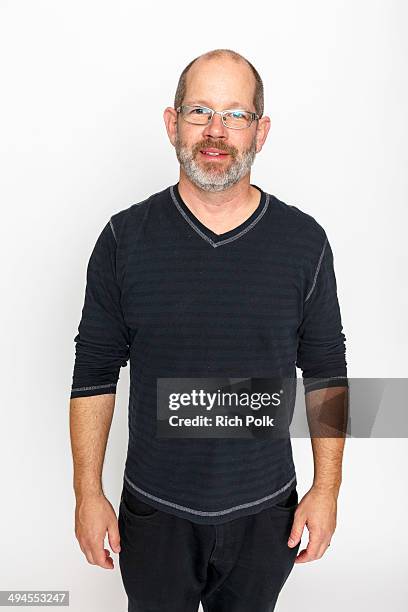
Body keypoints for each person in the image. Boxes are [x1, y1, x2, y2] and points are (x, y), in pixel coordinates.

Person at [70, 48, 348, 612]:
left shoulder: (304, 242)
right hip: (153, 513)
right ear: (173, 123)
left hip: (267, 514)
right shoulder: (124, 239)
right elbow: (93, 373)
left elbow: (327, 374)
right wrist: (87, 494)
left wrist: (325, 490)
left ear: (260, 131)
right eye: (199, 111)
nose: (216, 131)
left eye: (236, 115)